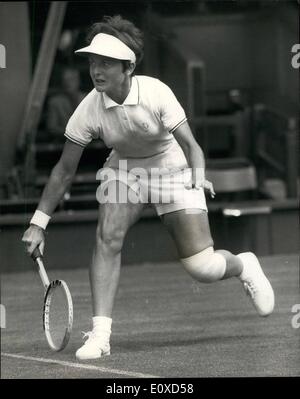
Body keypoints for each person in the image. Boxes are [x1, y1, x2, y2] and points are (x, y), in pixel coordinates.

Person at [22, 15, 274, 361]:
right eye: (93, 62)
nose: (96, 70)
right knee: (107, 237)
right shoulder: (88, 109)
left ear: (128, 67)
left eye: (106, 64)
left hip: (172, 169)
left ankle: (244, 266)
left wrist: (198, 175)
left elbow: (192, 147)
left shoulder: (157, 93)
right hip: (125, 170)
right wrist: (39, 222)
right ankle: (101, 335)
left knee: (203, 268)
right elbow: (64, 170)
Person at [46, 66, 86, 141]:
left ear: (78, 81)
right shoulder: (55, 102)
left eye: (71, 79)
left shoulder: (88, 99)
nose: (67, 83)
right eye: (65, 80)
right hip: (63, 144)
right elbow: (52, 128)